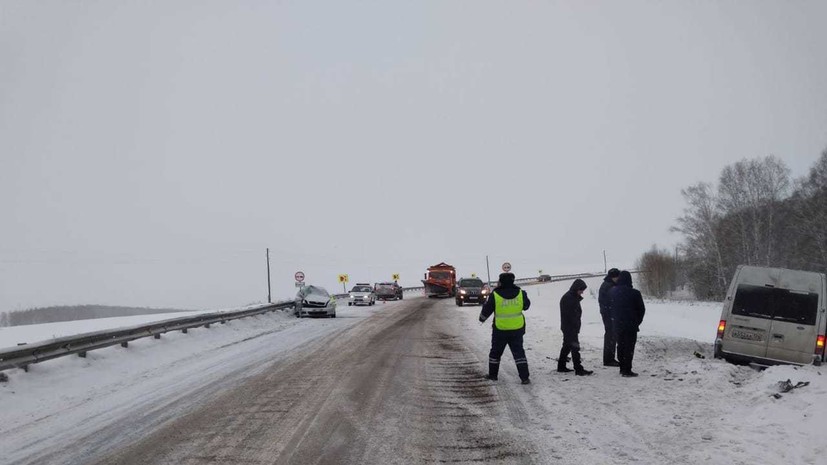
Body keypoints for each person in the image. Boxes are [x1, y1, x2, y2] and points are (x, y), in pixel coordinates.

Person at [479, 272, 531, 384]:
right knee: (519, 353)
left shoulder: (496, 294)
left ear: (501, 281)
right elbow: (526, 306)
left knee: (495, 353)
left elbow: (487, 309)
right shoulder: (521, 293)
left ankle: (493, 375)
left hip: (500, 330)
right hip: (517, 329)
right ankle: (524, 377)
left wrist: (482, 319)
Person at [609, 271, 646, 377]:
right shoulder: (635, 293)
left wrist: (614, 320)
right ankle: (627, 369)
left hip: (617, 324)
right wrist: (637, 321)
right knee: (629, 347)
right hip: (631, 325)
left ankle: (622, 367)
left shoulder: (612, 292)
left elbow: (609, 308)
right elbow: (641, 309)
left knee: (620, 345)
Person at [557, 279, 593, 376]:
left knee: (567, 346)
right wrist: (574, 327)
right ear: (576, 288)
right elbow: (571, 315)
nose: (582, 292)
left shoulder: (571, 297)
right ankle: (578, 369)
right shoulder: (569, 298)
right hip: (570, 327)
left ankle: (561, 366)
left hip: (569, 327)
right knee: (575, 347)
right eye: (581, 290)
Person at [598, 268, 621, 367]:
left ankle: (609, 358)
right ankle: (608, 359)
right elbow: (611, 301)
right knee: (611, 335)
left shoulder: (607, 285)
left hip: (607, 313)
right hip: (609, 314)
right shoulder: (609, 286)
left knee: (610, 335)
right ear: (614, 277)